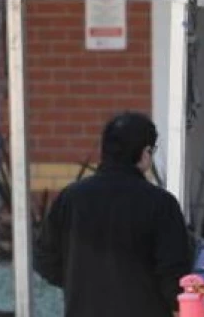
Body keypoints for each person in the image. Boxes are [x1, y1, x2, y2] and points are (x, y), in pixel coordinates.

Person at [34, 111, 194, 317]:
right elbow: (173, 274)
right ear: (145, 152)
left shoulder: (70, 199)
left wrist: (79, 281)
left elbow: (44, 258)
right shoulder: (161, 204)